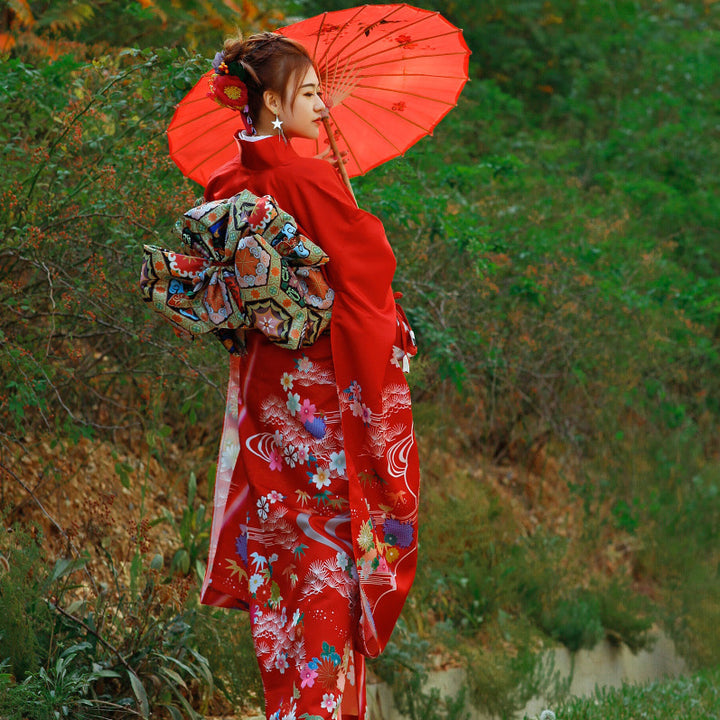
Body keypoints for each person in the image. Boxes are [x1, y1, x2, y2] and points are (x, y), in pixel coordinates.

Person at [199, 31, 420, 720]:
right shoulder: (309, 177)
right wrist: (394, 334)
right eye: (311, 93)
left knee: (286, 553)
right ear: (270, 100)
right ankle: (324, 711)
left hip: (268, 393)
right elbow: (364, 281)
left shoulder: (225, 184)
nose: (322, 108)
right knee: (331, 561)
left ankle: (289, 706)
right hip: (325, 394)